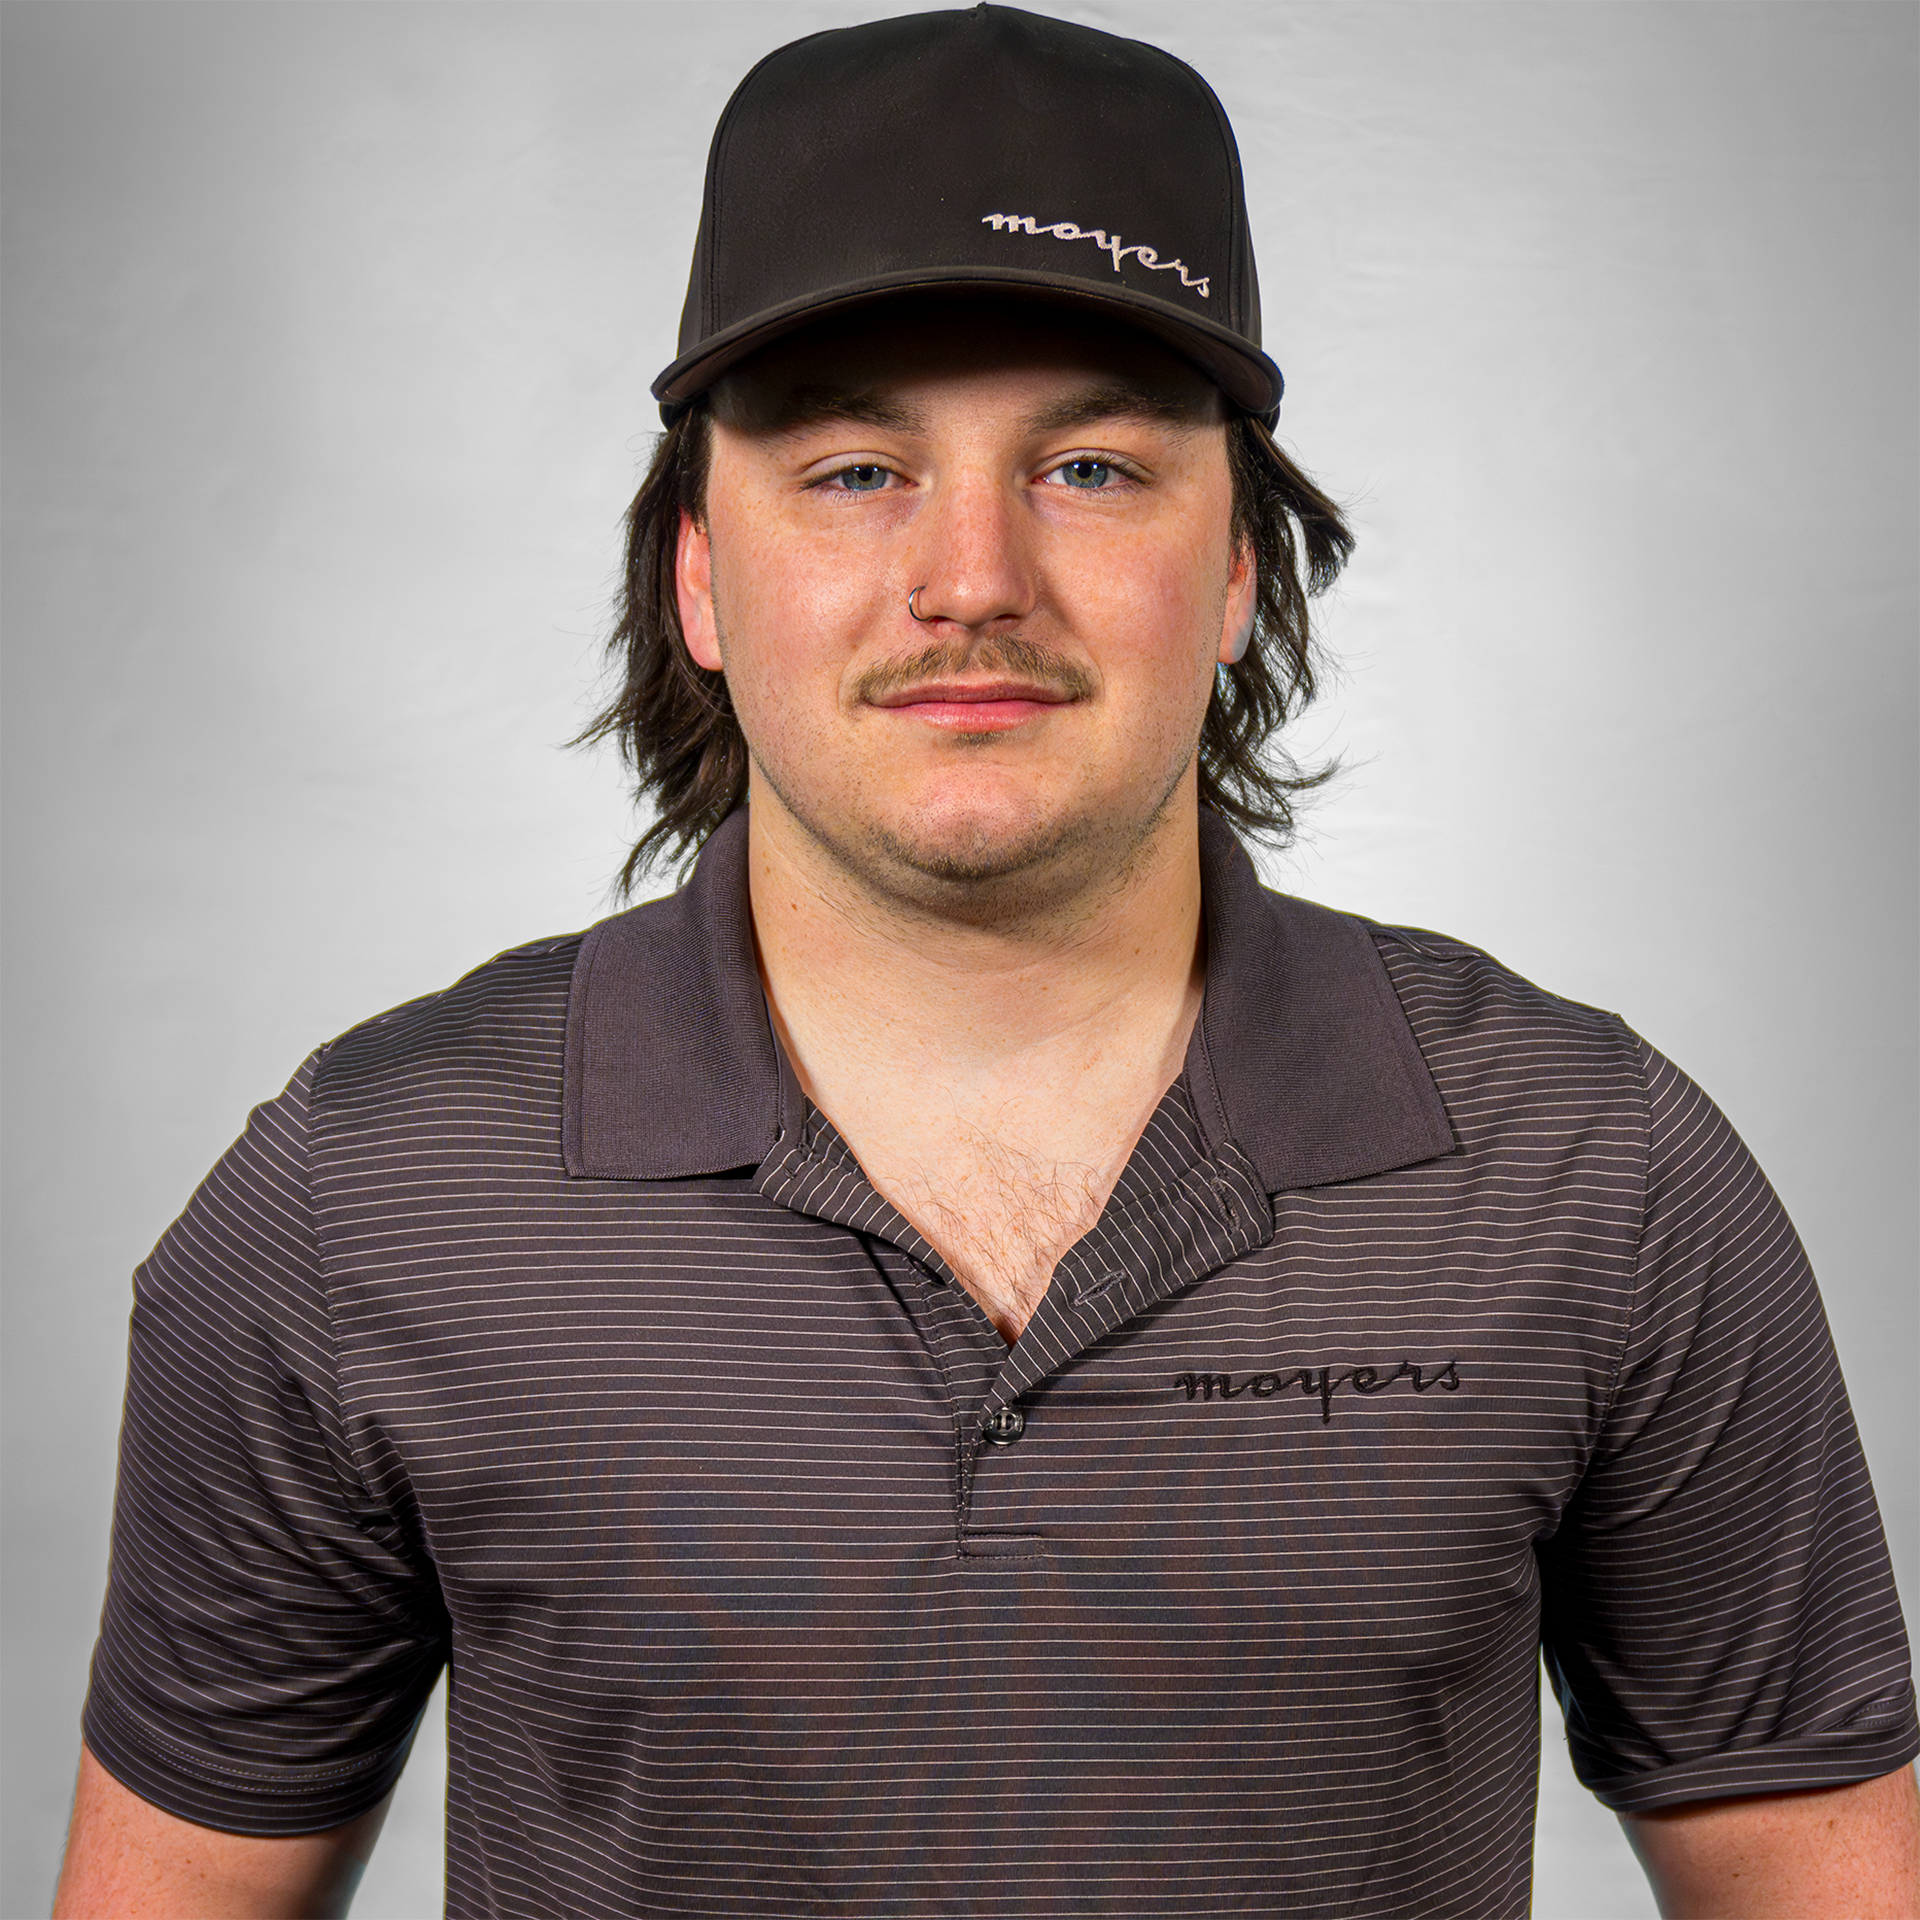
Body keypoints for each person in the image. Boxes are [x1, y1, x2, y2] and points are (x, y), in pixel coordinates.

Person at [51, 7, 1920, 1916]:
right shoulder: (364, 1196)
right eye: (856, 470)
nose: (972, 579)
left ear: (1240, 572)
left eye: (1091, 469)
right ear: (700, 571)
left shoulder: (1595, 1173)